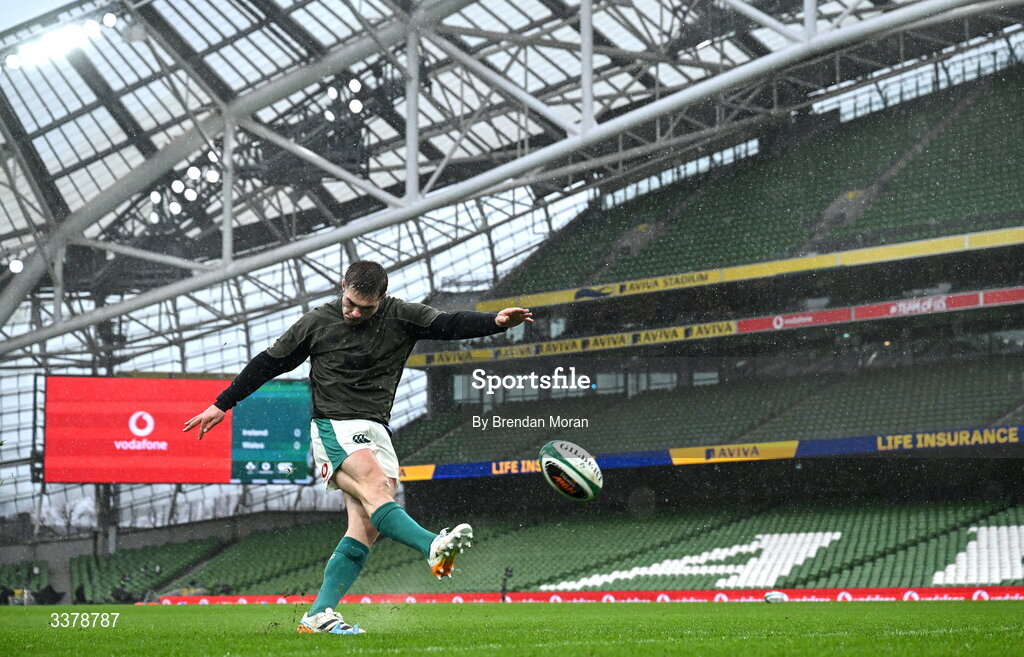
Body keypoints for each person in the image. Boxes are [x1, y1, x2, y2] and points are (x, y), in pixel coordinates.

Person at [183, 260, 532, 635]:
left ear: (381, 299)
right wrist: (222, 403)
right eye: (350, 303)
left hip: (378, 429)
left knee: (366, 524)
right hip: (334, 424)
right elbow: (270, 362)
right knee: (373, 487)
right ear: (343, 287)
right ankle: (432, 545)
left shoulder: (402, 315)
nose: (353, 312)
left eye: (365, 308)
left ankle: (318, 615)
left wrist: (494, 322)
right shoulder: (317, 322)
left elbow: (448, 324)